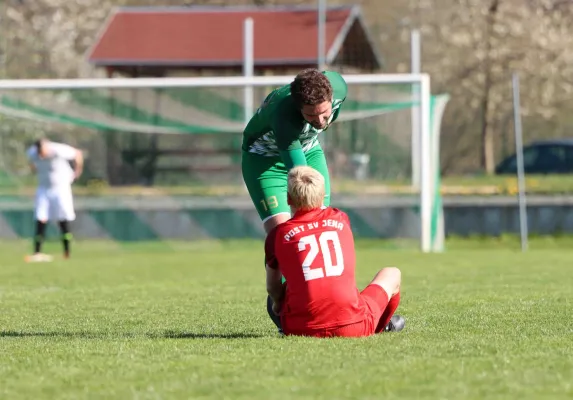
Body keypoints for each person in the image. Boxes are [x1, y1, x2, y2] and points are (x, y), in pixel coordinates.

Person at [264, 166, 405, 337]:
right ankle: (378, 327)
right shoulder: (341, 218)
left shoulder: (277, 234)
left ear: (288, 199)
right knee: (392, 273)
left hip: (299, 329)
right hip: (353, 325)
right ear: (323, 197)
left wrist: (279, 305)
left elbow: (272, 287)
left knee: (280, 293)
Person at [242, 68, 346, 234]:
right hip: (265, 160)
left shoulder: (339, 86)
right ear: (299, 108)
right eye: (311, 115)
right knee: (282, 235)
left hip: (308, 149)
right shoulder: (284, 116)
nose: (319, 121)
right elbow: (301, 176)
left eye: (324, 112)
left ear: (331, 97)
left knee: (320, 225)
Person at [25, 138, 83, 262]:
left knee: (63, 219)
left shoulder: (59, 150)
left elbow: (77, 153)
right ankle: (37, 252)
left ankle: (67, 252)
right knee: (40, 218)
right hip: (44, 189)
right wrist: (34, 170)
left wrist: (77, 172)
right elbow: (31, 161)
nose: (42, 155)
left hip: (61, 189)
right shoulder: (32, 152)